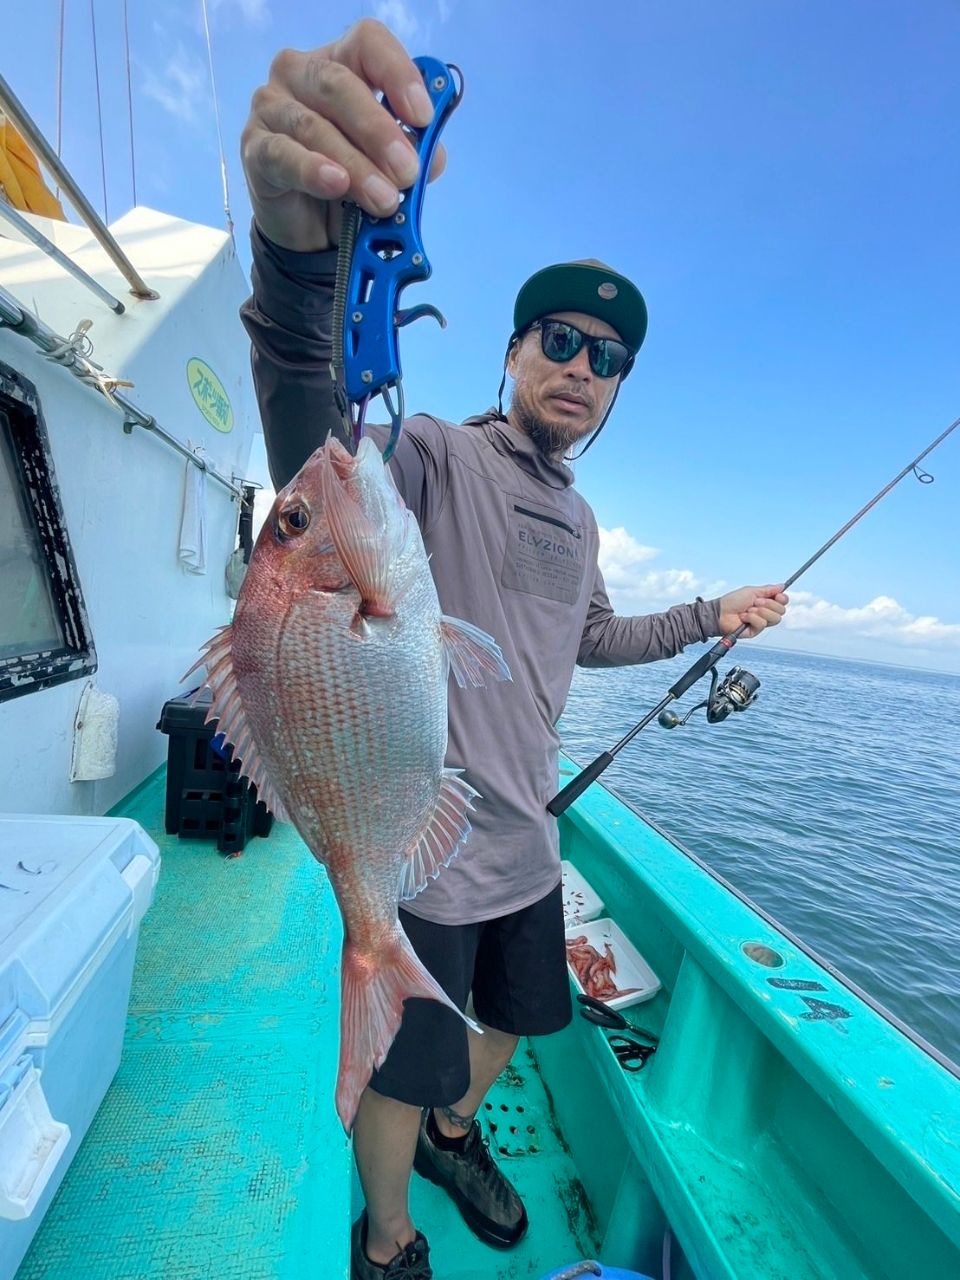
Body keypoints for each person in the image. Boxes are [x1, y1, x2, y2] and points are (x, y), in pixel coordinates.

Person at [239, 20, 789, 1280]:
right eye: (561, 340)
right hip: (418, 844)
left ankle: (453, 1132)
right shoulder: (433, 452)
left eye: (609, 361)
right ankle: (388, 1235)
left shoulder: (582, 515)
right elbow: (317, 448)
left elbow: (590, 636)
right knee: (400, 1053)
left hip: (529, 839)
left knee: (507, 1027)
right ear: (514, 347)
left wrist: (712, 615)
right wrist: (301, 267)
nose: (583, 370)